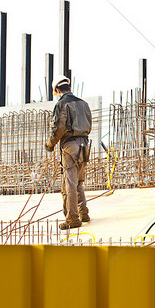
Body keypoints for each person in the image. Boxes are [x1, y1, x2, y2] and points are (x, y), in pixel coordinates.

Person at [45, 74, 92, 230]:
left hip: (70, 146)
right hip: (85, 145)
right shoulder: (84, 104)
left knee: (69, 184)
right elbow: (89, 126)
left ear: (57, 90)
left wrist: (50, 144)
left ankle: (72, 218)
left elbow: (59, 128)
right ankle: (83, 213)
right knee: (79, 182)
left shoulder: (62, 104)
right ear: (69, 87)